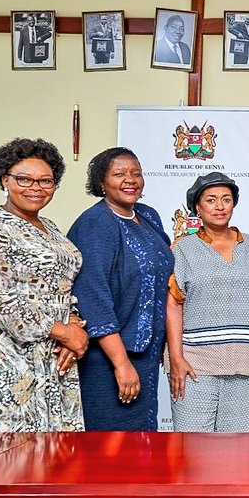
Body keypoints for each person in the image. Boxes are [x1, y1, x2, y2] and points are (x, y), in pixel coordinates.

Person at [0, 138, 89, 432]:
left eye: (45, 181)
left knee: (56, 451)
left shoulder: (51, 228)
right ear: (4, 180)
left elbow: (61, 286)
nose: (35, 188)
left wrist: (74, 325)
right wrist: (64, 333)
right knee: (11, 451)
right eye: (24, 179)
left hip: (54, 354)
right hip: (8, 354)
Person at [68, 147, 174, 431]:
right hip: (109, 356)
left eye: (136, 173)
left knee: (142, 437)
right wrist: (121, 364)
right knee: (110, 443)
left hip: (146, 351)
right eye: (119, 174)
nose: (130, 180)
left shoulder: (147, 215)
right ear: (101, 182)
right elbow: (93, 296)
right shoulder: (95, 224)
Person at [166, 173, 249, 432]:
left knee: (236, 449)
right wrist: (176, 357)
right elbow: (173, 305)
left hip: (246, 359)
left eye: (226, 199)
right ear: (197, 207)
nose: (220, 206)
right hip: (195, 362)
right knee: (192, 447)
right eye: (211, 200)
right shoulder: (182, 248)